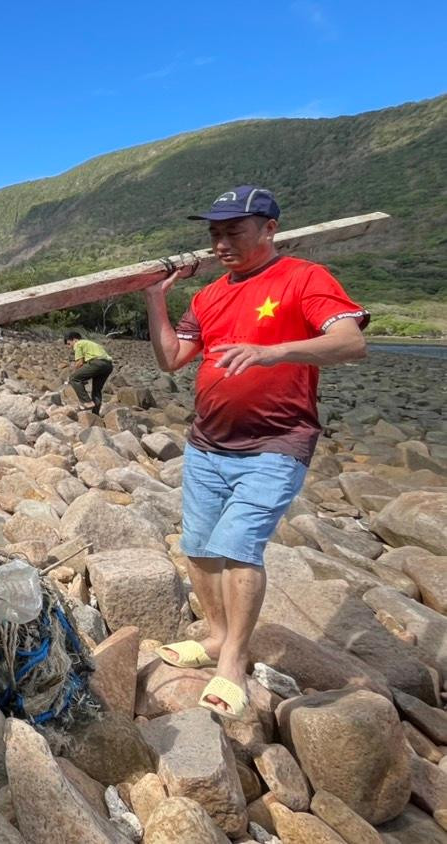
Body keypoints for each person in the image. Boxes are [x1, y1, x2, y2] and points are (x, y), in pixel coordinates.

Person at [144, 185, 367, 719]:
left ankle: (233, 663)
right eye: (215, 233)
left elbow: (350, 343)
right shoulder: (210, 294)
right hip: (207, 442)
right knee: (198, 545)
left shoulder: (303, 278)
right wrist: (156, 299)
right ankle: (219, 636)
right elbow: (171, 359)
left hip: (276, 441)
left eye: (234, 231)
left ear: (269, 228)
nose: (221, 243)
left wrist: (274, 352)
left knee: (239, 544)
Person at [64, 330, 114, 414]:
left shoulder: (78, 344)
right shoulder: (91, 344)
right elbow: (86, 366)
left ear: (75, 340)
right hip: (108, 366)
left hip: (97, 363)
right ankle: (95, 414)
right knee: (96, 390)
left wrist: (73, 375)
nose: (69, 347)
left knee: (73, 378)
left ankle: (86, 402)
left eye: (69, 344)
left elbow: (79, 363)